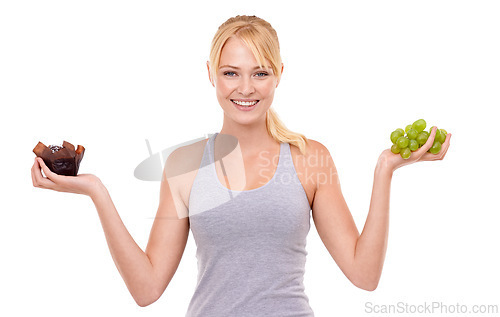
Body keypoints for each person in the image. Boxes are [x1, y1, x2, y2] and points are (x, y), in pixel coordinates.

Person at [31, 14, 452, 316]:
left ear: (280, 74)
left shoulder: (310, 158)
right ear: (210, 74)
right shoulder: (186, 165)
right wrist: (96, 192)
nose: (245, 88)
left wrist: (384, 169)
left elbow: (364, 275)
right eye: (231, 73)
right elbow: (147, 289)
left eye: (261, 73)